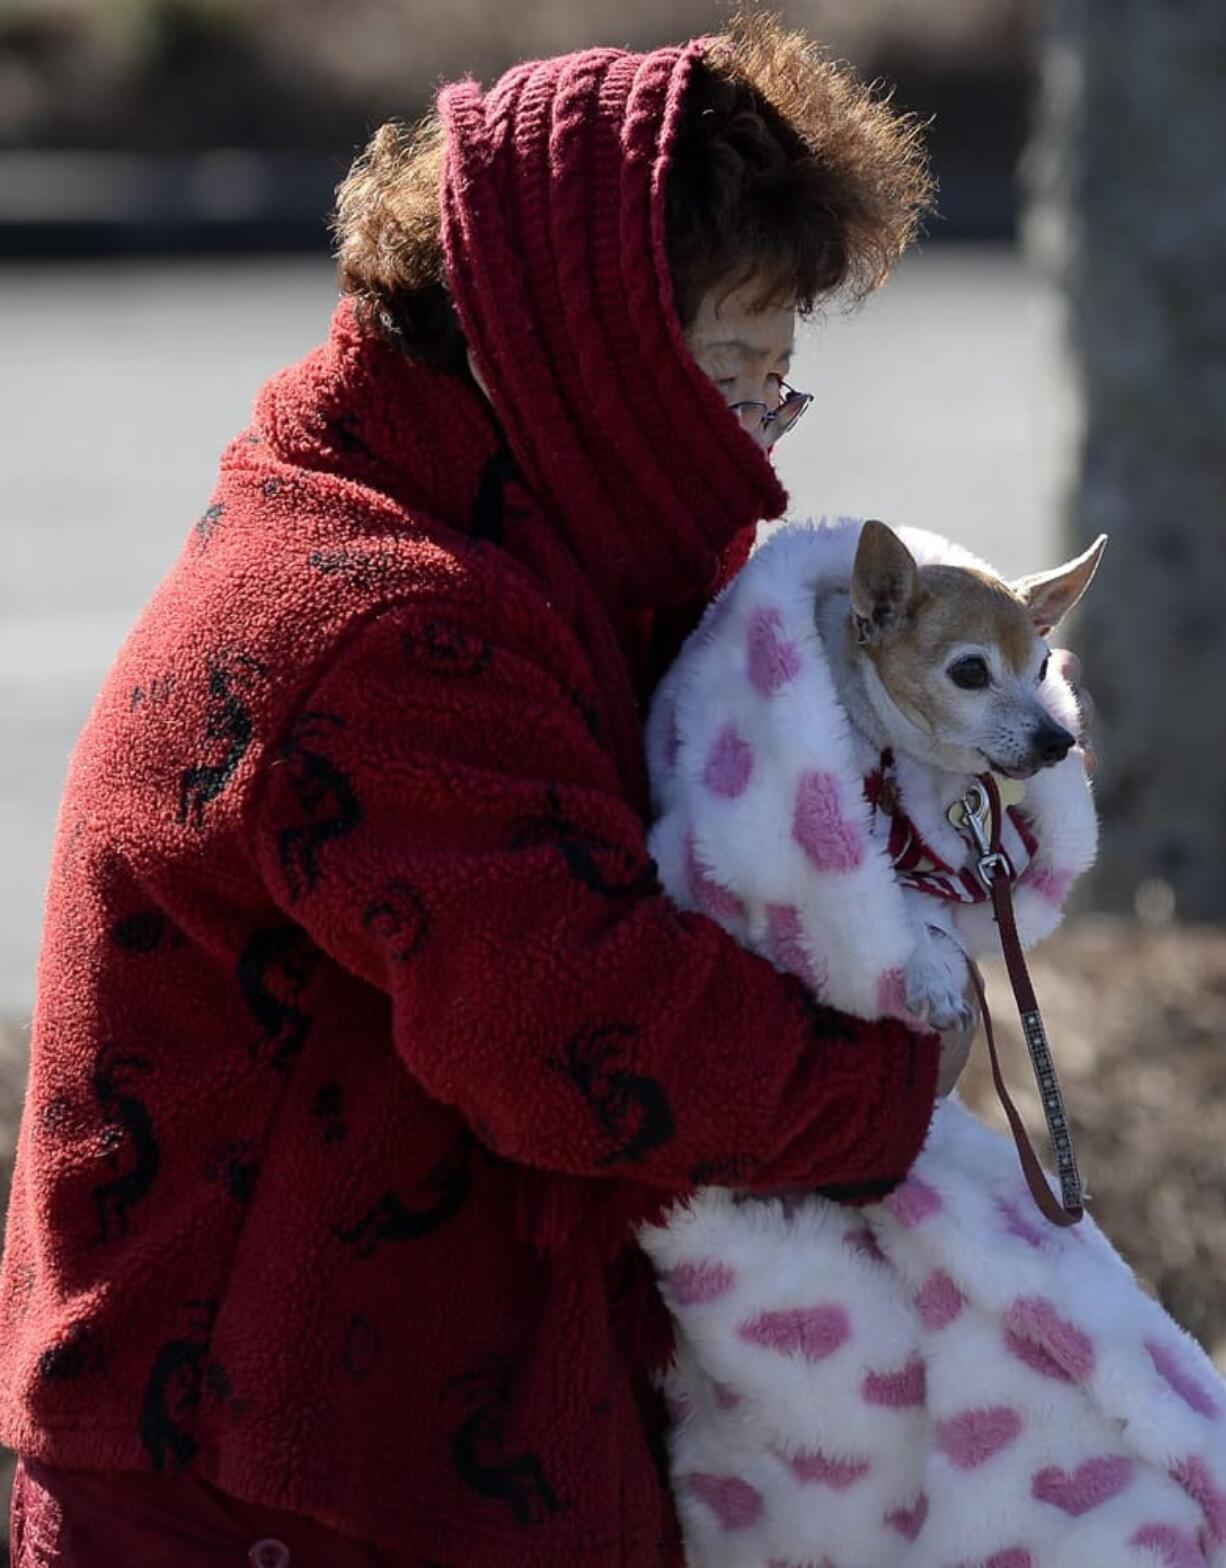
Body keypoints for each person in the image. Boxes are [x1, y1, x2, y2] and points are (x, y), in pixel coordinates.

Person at [0, 16, 988, 1566]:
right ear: (573, 342)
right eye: (725, 376)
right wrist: (892, 1085)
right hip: (271, 1489)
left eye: (776, 390)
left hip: (376, 1444)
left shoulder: (482, 536)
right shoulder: (387, 621)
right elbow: (576, 1028)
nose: (757, 462)